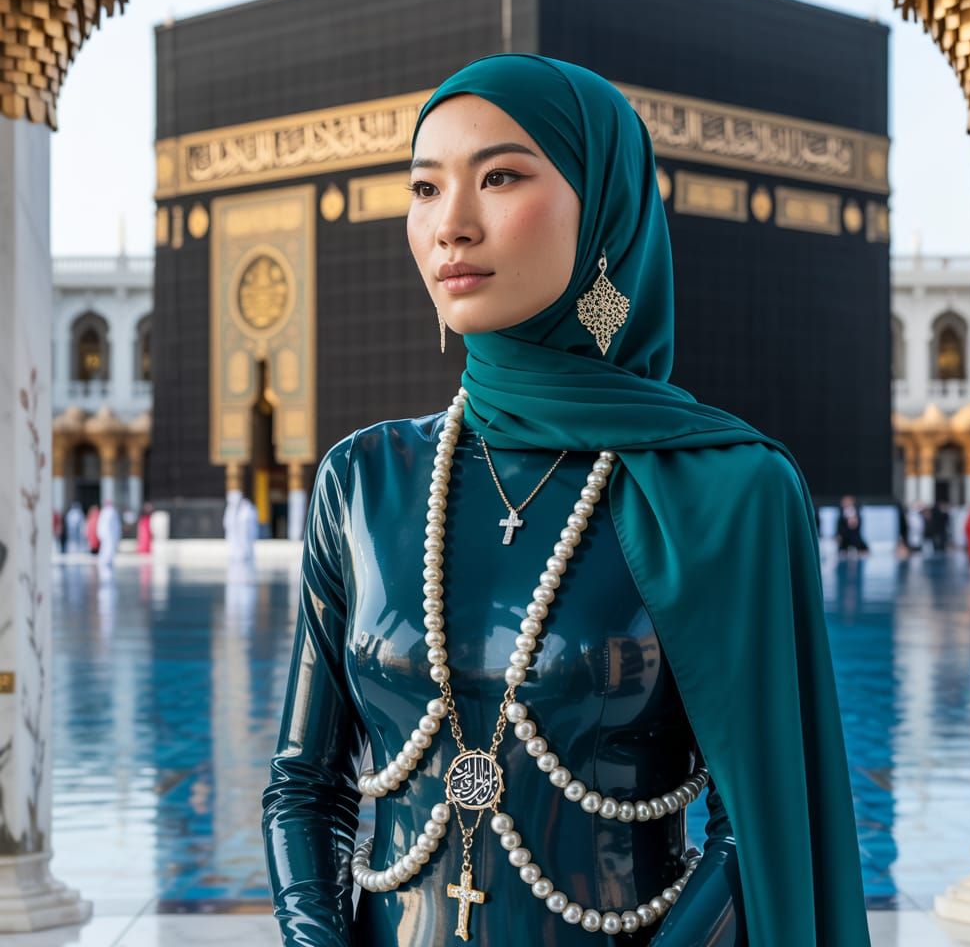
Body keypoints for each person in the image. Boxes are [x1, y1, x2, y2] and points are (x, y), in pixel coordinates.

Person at [261, 55, 868, 947]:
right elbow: (304, 785)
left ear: (603, 208)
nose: (451, 225)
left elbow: (759, 831)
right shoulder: (365, 480)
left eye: (501, 177)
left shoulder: (730, 492)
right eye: (425, 188)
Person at [97, 499, 121, 569]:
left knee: (107, 548)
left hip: (108, 534)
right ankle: (106, 561)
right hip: (109, 534)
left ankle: (107, 561)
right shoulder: (110, 512)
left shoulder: (106, 511)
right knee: (108, 548)